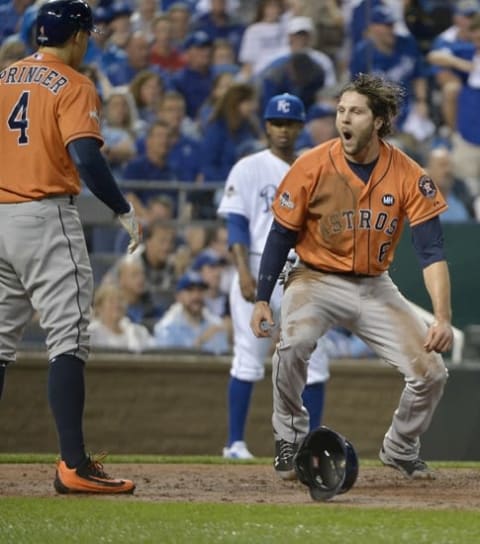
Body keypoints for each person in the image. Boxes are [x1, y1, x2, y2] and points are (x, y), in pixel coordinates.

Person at [250, 74, 453, 481]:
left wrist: (442, 317)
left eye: (356, 111)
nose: (344, 118)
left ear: (378, 121)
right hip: (314, 278)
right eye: (341, 110)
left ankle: (400, 448)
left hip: (375, 285)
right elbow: (280, 235)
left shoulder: (410, 174)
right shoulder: (310, 164)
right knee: (293, 345)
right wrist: (261, 298)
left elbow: (431, 251)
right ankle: (289, 438)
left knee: (431, 373)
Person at [0, 0, 141, 494]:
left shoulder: (4, 76)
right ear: (77, 36)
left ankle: (73, 464)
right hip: (43, 215)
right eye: (88, 34)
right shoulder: (76, 82)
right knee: (67, 338)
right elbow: (85, 154)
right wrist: (121, 207)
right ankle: (74, 465)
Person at [217, 93, 330, 460]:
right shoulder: (249, 167)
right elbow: (236, 224)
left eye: (290, 123)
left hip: (304, 272)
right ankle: (235, 443)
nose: (283, 130)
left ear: (301, 126)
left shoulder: (314, 166)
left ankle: (308, 447)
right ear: (267, 126)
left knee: (314, 360)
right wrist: (245, 273)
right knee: (249, 357)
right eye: (277, 123)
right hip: (256, 266)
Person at [153, 270, 231, 354]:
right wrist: (201, 341)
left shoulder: (215, 325)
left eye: (200, 290)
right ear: (178, 296)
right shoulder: (167, 327)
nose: (196, 296)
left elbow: (222, 360)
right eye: (190, 290)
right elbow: (166, 363)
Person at [88, 283, 156, 352]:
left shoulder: (138, 331)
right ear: (99, 307)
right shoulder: (91, 333)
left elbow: (155, 353)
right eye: (111, 301)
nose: (117, 304)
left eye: (120, 300)